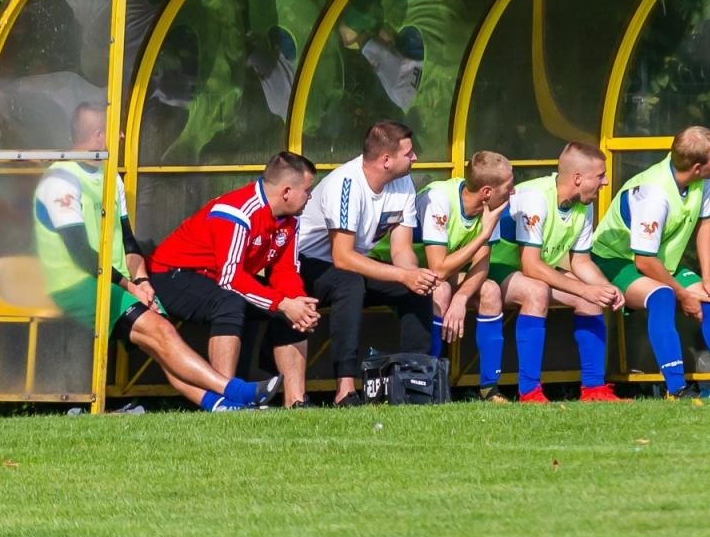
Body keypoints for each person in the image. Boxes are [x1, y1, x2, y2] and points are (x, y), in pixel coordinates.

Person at [33, 103, 276, 411]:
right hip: (75, 284)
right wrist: (127, 285)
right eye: (115, 130)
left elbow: (129, 242)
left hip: (115, 283)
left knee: (164, 341)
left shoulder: (112, 178)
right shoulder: (60, 181)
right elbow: (80, 253)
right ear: (98, 136)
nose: (122, 136)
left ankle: (220, 406)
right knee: (161, 333)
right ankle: (236, 392)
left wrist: (142, 281)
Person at [590, 126, 710, 398]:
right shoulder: (654, 194)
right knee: (663, 296)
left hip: (658, 263)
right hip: (614, 261)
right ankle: (676, 388)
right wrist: (683, 294)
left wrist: (708, 278)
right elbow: (643, 261)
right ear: (698, 166)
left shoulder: (703, 178)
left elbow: (705, 222)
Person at [146, 152, 320, 407]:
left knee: (294, 310)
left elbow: (285, 271)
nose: (310, 197)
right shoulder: (237, 211)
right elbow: (231, 278)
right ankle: (226, 400)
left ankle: (296, 401)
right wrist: (282, 303)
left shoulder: (290, 219)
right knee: (229, 302)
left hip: (215, 280)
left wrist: (298, 303)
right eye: (307, 190)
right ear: (286, 191)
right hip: (172, 275)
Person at [294, 120, 438, 407]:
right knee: (349, 282)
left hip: (352, 262)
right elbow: (342, 257)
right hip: (308, 264)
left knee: (415, 289)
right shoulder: (344, 184)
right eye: (409, 154)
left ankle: (416, 382)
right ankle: (344, 388)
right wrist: (402, 274)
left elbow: (401, 249)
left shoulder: (403, 182)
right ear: (386, 160)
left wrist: (413, 275)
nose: (415, 158)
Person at [486, 142, 626, 403]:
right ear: (577, 178)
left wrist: (604, 287)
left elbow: (581, 262)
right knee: (537, 291)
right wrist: (586, 288)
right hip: (493, 267)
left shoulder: (584, 204)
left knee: (590, 298)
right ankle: (529, 391)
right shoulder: (536, 197)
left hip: (528, 270)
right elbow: (531, 265)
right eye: (600, 176)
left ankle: (594, 389)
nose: (606, 182)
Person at [412, 151, 515, 402]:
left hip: (436, 273)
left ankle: (490, 387)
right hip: (400, 269)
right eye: (509, 186)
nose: (513, 192)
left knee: (489, 290)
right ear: (487, 192)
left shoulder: (491, 208)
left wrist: (462, 299)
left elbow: (481, 264)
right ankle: (431, 385)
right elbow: (438, 269)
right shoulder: (438, 198)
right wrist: (483, 234)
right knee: (441, 289)